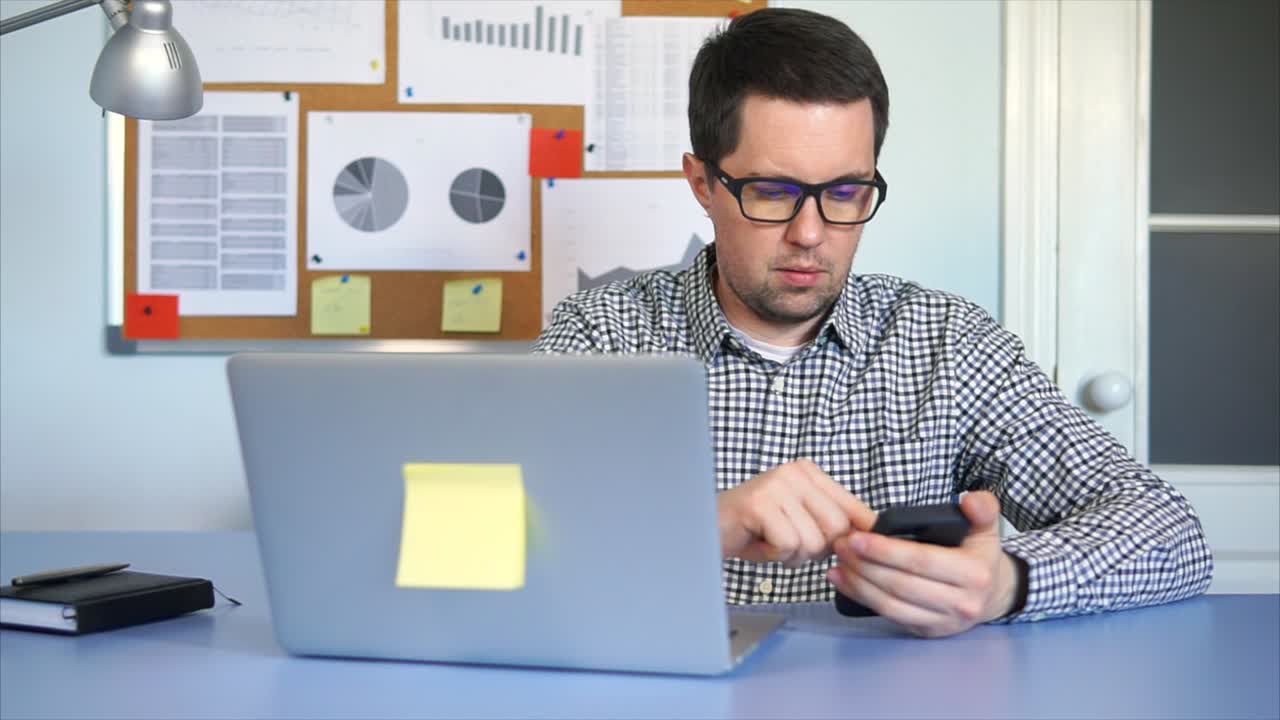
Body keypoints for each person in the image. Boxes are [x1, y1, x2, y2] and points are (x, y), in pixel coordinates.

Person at [533, 7, 1212, 638]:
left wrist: (1006, 581)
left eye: (846, 193)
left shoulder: (948, 344)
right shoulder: (604, 337)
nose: (810, 233)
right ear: (703, 184)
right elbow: (475, 540)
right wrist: (697, 524)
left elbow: (1171, 532)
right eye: (771, 192)